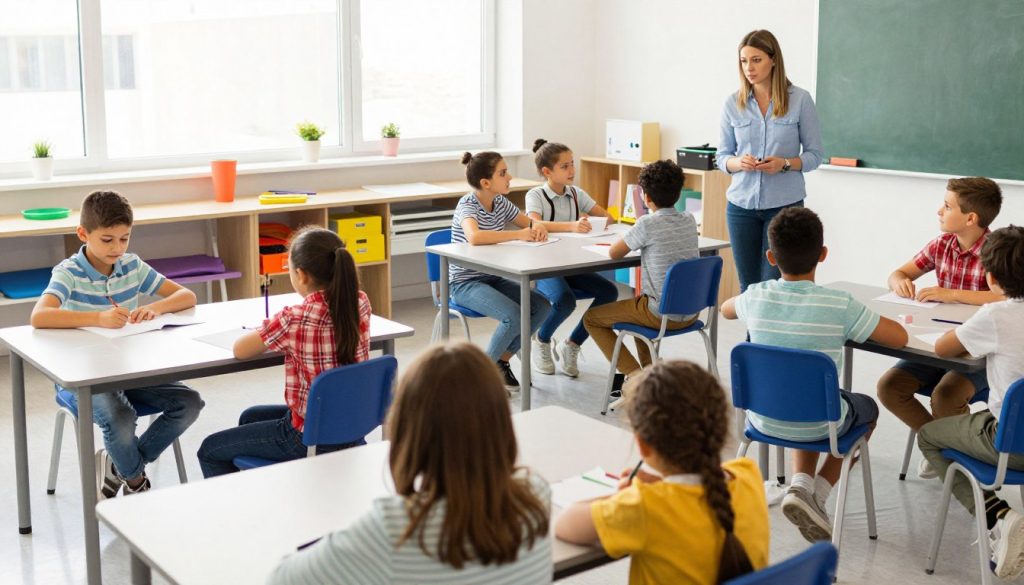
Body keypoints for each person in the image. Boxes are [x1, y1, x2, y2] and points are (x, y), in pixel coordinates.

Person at [268, 342, 552, 585]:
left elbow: (283, 579)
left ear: (408, 430)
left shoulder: (394, 528)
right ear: (501, 423)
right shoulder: (535, 496)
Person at [721, 207, 907, 542]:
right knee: (865, 410)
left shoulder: (755, 295)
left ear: (770, 257)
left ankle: (800, 488)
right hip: (820, 423)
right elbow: (899, 338)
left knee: (802, 395)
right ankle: (818, 495)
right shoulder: (839, 304)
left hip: (761, 420)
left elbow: (725, 310)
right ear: (823, 254)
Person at [30, 190, 204, 498]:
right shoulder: (69, 272)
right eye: (107, 240)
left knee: (189, 402)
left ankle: (118, 465)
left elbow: (186, 296)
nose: (117, 248)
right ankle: (135, 483)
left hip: (128, 370)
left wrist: (155, 308)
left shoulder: (132, 266)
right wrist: (98, 318)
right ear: (83, 234)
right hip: (82, 377)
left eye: (125, 239)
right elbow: (40, 316)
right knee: (120, 416)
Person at [555, 360, 769, 584]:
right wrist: (660, 487)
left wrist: (625, 495)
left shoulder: (644, 507)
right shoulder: (748, 474)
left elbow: (565, 523)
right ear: (721, 429)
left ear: (642, 445)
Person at [196, 226, 371, 477]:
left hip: (307, 438)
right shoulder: (360, 302)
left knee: (210, 450)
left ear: (301, 275)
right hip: (352, 427)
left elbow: (240, 350)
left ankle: (239, 503)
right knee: (250, 417)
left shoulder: (294, 318)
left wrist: (269, 326)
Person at [879, 177, 1004, 479]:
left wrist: (952, 294)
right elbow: (898, 273)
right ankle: (941, 449)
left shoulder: (996, 251)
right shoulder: (941, 244)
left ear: (970, 218)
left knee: (946, 396)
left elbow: (1004, 296)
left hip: (977, 354)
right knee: (889, 387)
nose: (939, 211)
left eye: (947, 206)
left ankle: (948, 453)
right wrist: (900, 282)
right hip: (939, 344)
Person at [918, 225, 1024, 579]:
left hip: (1010, 445)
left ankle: (999, 517)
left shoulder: (996, 315)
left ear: (991, 279)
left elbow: (942, 348)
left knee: (929, 436)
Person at [716, 29, 824, 294]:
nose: (749, 68)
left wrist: (784, 164)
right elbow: (722, 157)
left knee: (774, 288)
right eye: (744, 61)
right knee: (748, 288)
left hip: (784, 208)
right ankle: (750, 326)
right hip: (740, 207)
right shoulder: (733, 103)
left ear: (773, 60)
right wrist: (738, 163)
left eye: (756, 60)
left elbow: (815, 155)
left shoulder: (800, 100)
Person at [583, 159, 698, 393]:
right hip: (692, 311)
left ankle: (635, 376)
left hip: (660, 313)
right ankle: (651, 371)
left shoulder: (646, 223)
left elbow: (614, 253)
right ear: (678, 193)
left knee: (591, 319)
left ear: (645, 197)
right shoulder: (689, 219)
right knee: (638, 307)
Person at [449, 151, 552, 389]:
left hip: (491, 278)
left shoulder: (501, 203)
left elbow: (531, 223)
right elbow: (474, 237)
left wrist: (542, 227)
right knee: (513, 316)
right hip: (464, 284)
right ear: (486, 183)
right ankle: (481, 377)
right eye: (503, 173)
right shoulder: (467, 205)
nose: (510, 177)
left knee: (542, 306)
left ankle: (500, 361)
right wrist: (518, 235)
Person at [525, 138, 618, 377]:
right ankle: (542, 339)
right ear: (547, 172)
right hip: (544, 266)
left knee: (609, 292)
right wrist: (572, 225)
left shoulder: (576, 193)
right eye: (564, 166)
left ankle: (572, 344)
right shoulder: (536, 195)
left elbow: (608, 218)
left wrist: (592, 221)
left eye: (572, 164)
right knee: (565, 300)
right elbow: (533, 223)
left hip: (573, 265)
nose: (572, 170)